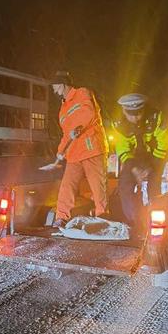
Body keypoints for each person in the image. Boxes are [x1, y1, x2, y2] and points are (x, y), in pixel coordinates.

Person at [51, 70, 109, 228]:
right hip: (74, 154)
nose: (53, 89)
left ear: (63, 84)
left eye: (55, 86)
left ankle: (102, 215)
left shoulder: (82, 93)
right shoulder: (62, 110)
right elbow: (65, 134)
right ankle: (61, 217)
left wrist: (78, 127)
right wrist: (60, 151)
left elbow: (88, 112)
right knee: (67, 186)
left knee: (97, 185)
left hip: (92, 149)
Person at [112, 93, 168, 225]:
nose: (135, 118)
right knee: (125, 184)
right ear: (123, 111)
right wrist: (134, 169)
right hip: (133, 157)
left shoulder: (157, 118)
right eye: (130, 114)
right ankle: (133, 220)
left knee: (154, 186)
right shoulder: (119, 124)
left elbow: (163, 143)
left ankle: (156, 219)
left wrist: (152, 168)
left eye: (138, 113)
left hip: (154, 155)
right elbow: (122, 148)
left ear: (144, 109)